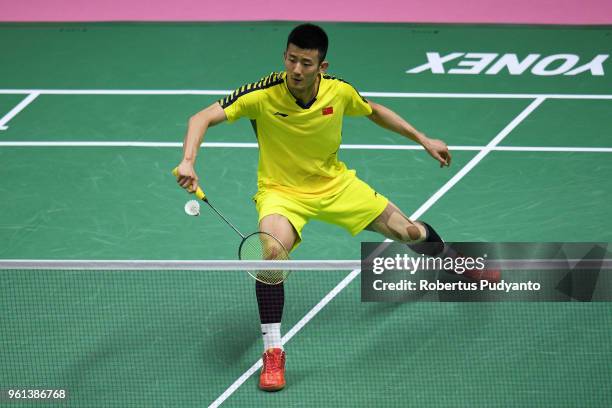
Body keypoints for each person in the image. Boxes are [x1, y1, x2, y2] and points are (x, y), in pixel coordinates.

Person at [175, 23, 500, 392]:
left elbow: (373, 110)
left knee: (409, 231)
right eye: (292, 60)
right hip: (282, 192)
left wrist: (423, 139)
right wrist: (188, 160)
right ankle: (273, 352)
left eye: (307, 63)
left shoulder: (338, 91)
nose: (297, 70)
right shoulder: (261, 94)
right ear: (285, 56)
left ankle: (452, 261)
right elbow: (199, 118)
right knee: (270, 256)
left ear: (322, 66)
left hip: (335, 184)